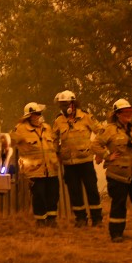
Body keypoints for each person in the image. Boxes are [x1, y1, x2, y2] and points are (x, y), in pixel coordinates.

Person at [91, 98, 132, 242]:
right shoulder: (108, 130)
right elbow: (95, 146)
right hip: (118, 175)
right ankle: (116, 234)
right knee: (119, 204)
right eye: (124, 112)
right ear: (117, 114)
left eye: (130, 112)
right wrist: (107, 156)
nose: (128, 115)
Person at [53, 90, 103, 227]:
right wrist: (57, 154)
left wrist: (99, 151)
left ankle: (97, 218)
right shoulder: (58, 120)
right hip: (69, 163)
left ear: (73, 104)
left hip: (85, 161)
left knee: (91, 189)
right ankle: (80, 218)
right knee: (74, 192)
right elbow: (53, 139)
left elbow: (102, 132)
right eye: (61, 105)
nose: (63, 108)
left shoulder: (86, 117)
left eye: (66, 104)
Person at [10, 102, 61, 227]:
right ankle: (40, 220)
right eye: (36, 114)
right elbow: (10, 141)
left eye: (39, 113)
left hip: (51, 168)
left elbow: (54, 143)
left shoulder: (47, 127)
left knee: (53, 194)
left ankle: (52, 219)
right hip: (35, 170)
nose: (38, 116)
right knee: (39, 195)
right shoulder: (21, 129)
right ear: (28, 116)